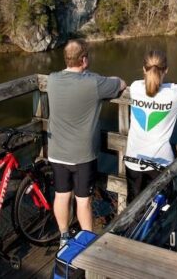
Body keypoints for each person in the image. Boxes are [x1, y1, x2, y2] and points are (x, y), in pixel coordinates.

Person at [47, 39, 126, 247]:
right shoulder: (94, 83)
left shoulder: (52, 80)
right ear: (84, 60)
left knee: (61, 195)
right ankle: (87, 241)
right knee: (83, 200)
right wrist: (98, 77)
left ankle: (64, 237)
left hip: (56, 152)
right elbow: (120, 83)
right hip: (82, 155)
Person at [124, 50, 177, 203]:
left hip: (133, 159)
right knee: (161, 210)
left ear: (144, 69)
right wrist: (173, 92)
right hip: (160, 163)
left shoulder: (136, 87)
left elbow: (149, 88)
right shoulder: (174, 95)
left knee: (132, 210)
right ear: (166, 70)